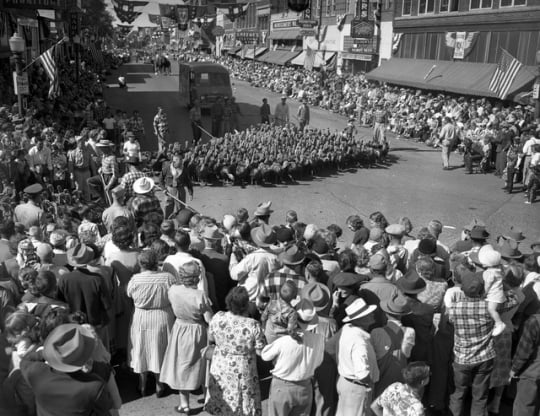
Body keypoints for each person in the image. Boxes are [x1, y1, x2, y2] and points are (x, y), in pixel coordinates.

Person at [447, 270, 518, 416]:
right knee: (480, 396)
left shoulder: (454, 308)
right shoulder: (490, 308)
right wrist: (499, 283)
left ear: (463, 290)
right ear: (482, 289)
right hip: (485, 357)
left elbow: (448, 323)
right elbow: (516, 298)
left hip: (462, 357)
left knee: (458, 393)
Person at [20, 323, 119, 416]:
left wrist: (46, 353)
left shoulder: (36, 373)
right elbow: (109, 410)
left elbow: (26, 360)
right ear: (85, 355)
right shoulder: (94, 387)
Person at [160, 261, 213, 412]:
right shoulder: (199, 295)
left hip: (179, 329)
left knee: (182, 366)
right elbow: (209, 319)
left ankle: (185, 404)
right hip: (197, 330)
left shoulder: (173, 290)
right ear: (197, 277)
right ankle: (207, 400)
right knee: (203, 366)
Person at [205, 287, 266, 416]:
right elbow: (261, 350)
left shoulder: (218, 317)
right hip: (243, 368)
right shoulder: (252, 325)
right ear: (246, 305)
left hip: (220, 364)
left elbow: (211, 338)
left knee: (222, 399)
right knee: (243, 401)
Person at [261, 298, 325, 416]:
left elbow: (265, 356)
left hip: (282, 388)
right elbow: (319, 361)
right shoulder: (319, 340)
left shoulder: (283, 341)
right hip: (305, 387)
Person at [127, 250, 177, 397]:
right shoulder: (168, 277)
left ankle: (141, 385)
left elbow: (129, 294)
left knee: (141, 348)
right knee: (160, 349)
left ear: (140, 263)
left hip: (142, 317)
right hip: (162, 316)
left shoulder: (135, 279)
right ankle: (159, 384)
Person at [57, 243, 112, 345]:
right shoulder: (97, 279)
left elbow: (60, 301)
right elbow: (106, 304)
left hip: (72, 324)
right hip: (96, 324)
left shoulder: (64, 279)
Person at [334, 298, 379, 416]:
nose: (372, 314)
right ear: (360, 320)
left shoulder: (346, 329)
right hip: (357, 389)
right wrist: (369, 383)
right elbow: (362, 374)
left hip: (345, 382)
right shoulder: (359, 341)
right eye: (368, 314)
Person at [229, 224, 280, 303]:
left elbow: (235, 275)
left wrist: (233, 259)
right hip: (269, 298)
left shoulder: (252, 257)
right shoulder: (277, 256)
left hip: (251, 298)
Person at [510, 313, 540, 416]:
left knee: (524, 408)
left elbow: (524, 351)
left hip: (532, 372)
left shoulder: (534, 321)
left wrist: (513, 370)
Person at [161, 153, 194, 220]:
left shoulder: (184, 170)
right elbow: (160, 179)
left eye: (181, 161)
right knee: (168, 207)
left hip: (180, 190)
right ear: (174, 161)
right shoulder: (167, 168)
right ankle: (167, 224)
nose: (181, 162)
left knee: (181, 209)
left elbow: (188, 182)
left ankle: (181, 224)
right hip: (169, 190)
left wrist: (190, 193)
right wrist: (163, 189)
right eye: (180, 161)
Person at [68, 135, 95, 201]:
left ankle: (88, 202)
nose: (83, 144)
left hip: (86, 172)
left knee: (87, 189)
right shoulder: (73, 152)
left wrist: (94, 172)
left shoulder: (88, 152)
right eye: (81, 143)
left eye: (83, 142)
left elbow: (91, 163)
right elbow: (70, 164)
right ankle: (79, 204)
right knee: (78, 189)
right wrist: (71, 174)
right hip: (78, 172)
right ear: (78, 143)